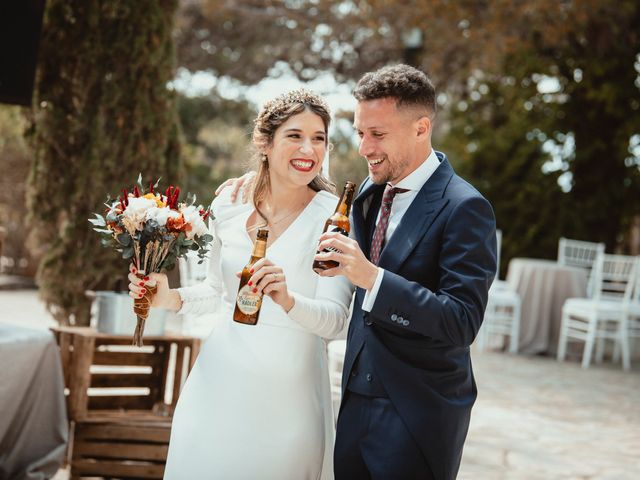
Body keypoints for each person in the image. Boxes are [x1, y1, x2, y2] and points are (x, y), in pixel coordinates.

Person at [221, 64, 497, 480]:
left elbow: (461, 322)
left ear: (421, 128)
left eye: (378, 135)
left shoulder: (464, 207)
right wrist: (258, 178)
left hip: (417, 413)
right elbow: (310, 190)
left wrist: (373, 278)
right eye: (360, 132)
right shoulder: (368, 193)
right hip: (352, 408)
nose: (365, 147)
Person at [128, 89, 352, 479]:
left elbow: (335, 321)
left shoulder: (333, 218)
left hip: (290, 400)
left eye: (319, 138)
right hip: (218, 385)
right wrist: (167, 298)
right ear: (264, 142)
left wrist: (287, 299)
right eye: (295, 136)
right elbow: (215, 292)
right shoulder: (228, 204)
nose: (309, 149)